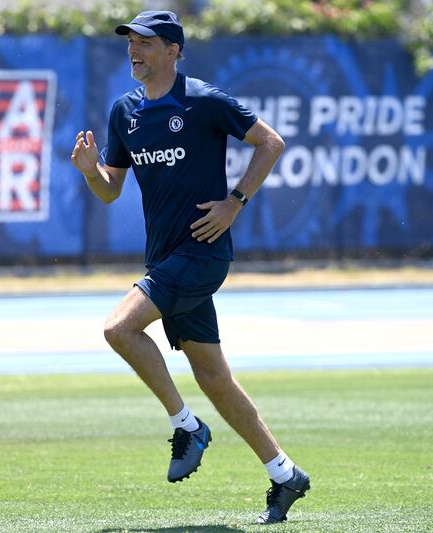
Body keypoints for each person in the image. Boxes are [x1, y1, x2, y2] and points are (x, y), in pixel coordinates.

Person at [70, 10, 310, 525]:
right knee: (214, 378)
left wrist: (235, 202)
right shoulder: (125, 111)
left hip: (202, 255)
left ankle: (187, 426)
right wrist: (92, 173)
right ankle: (286, 474)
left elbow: (271, 143)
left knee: (118, 327)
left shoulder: (204, 101)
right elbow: (111, 190)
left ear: (173, 50)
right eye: (130, 41)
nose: (134, 49)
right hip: (165, 258)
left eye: (146, 42)